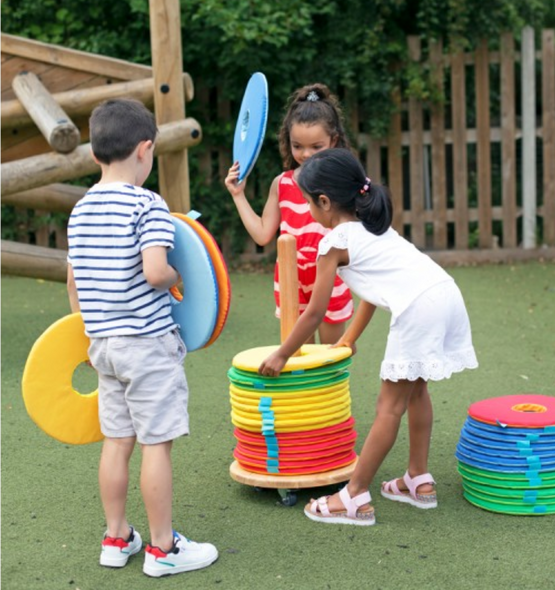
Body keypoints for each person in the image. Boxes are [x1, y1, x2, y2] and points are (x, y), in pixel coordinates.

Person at [259, 148, 478, 526]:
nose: (309, 210)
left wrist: (282, 354)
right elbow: (373, 294)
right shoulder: (374, 229)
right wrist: (348, 337)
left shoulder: (334, 244)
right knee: (417, 390)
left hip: (418, 307)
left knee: (388, 406)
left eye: (309, 202)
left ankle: (354, 495)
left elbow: (313, 312)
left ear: (324, 202)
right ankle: (418, 479)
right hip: (445, 293)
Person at [66, 98, 218, 575]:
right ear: (145, 150)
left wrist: (90, 336)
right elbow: (156, 272)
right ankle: (162, 549)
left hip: (104, 345)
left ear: (95, 156)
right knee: (157, 444)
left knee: (117, 441)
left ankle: (116, 538)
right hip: (148, 344)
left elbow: (74, 282)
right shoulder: (147, 204)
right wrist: (180, 275)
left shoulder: (81, 210)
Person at [225, 83, 354, 344]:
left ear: (334, 141)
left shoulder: (342, 183)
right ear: (289, 142)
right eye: (298, 146)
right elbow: (262, 234)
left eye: (316, 147)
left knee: (331, 356)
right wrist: (238, 195)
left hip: (330, 276)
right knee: (300, 359)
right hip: (290, 280)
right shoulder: (281, 184)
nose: (306, 155)